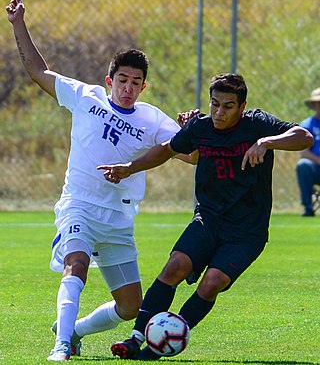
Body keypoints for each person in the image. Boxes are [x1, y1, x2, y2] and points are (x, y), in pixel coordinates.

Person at [6, 0, 197, 362]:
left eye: (135, 82)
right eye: (122, 79)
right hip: (78, 205)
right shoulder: (85, 97)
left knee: (130, 307)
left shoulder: (152, 119)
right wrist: (18, 24)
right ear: (110, 80)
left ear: (144, 87)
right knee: (75, 264)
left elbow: (190, 157)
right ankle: (60, 345)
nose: (127, 87)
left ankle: (74, 331)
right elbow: (38, 72)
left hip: (118, 219)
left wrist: (191, 132)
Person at [99, 73, 314, 360]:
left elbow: (304, 136)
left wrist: (267, 142)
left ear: (242, 106)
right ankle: (136, 337)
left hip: (247, 232)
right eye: (214, 104)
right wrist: (129, 167)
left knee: (212, 282)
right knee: (175, 266)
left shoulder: (257, 124)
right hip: (209, 220)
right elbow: (166, 150)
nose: (218, 112)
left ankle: (167, 340)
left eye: (227, 106)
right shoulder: (200, 128)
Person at [296, 87, 320, 216]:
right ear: (313, 105)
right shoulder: (307, 125)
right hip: (316, 169)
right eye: (318, 103)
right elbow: (304, 152)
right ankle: (308, 207)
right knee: (303, 165)